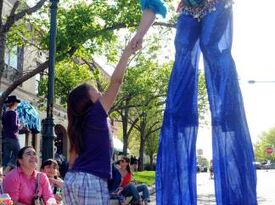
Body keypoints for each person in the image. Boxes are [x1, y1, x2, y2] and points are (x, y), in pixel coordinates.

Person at [131, 0, 257, 204]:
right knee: (183, 54)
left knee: (212, 47)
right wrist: (139, 34)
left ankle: (237, 195)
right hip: (188, 12)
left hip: (217, 5)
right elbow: (151, 4)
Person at [63, 42, 139, 205]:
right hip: (90, 180)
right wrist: (126, 53)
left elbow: (72, 158)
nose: (99, 91)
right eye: (94, 90)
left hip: (72, 179)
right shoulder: (95, 113)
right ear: (87, 98)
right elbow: (116, 82)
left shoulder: (80, 122)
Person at [2, 95, 22, 174]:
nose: (17, 104)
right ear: (14, 103)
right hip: (13, 137)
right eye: (16, 103)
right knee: (19, 153)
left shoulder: (5, 113)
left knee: (6, 156)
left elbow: (4, 125)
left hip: (6, 137)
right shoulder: (14, 113)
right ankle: (7, 171)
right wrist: (19, 126)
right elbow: (14, 127)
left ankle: (3, 172)